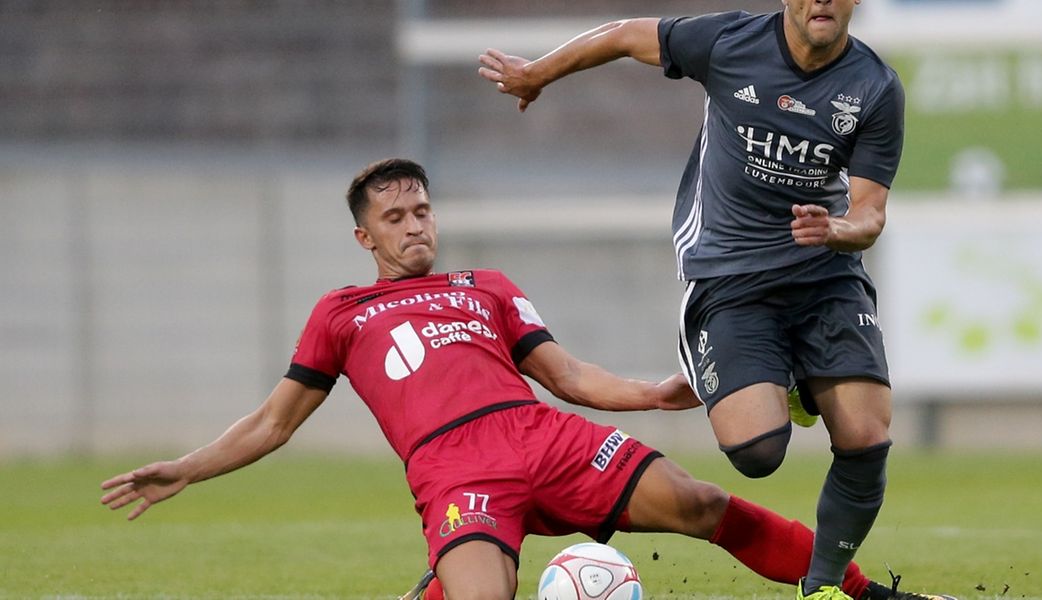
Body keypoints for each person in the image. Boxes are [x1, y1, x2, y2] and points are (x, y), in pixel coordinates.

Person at [100, 159, 948, 600]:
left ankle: (861, 591)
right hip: (455, 471)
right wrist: (188, 466)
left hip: (545, 437)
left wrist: (653, 395)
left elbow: (565, 373)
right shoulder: (341, 312)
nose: (414, 227)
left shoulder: (488, 287)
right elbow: (273, 422)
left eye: (421, 210)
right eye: (393, 218)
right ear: (365, 238)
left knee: (702, 506)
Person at [478, 2, 922, 599]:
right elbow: (626, 35)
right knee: (757, 452)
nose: (821, 2)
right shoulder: (730, 41)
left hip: (824, 273)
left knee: (866, 438)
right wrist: (539, 74)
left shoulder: (873, 87)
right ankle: (787, 376)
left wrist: (837, 230)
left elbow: (869, 212)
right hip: (730, 272)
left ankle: (819, 590)